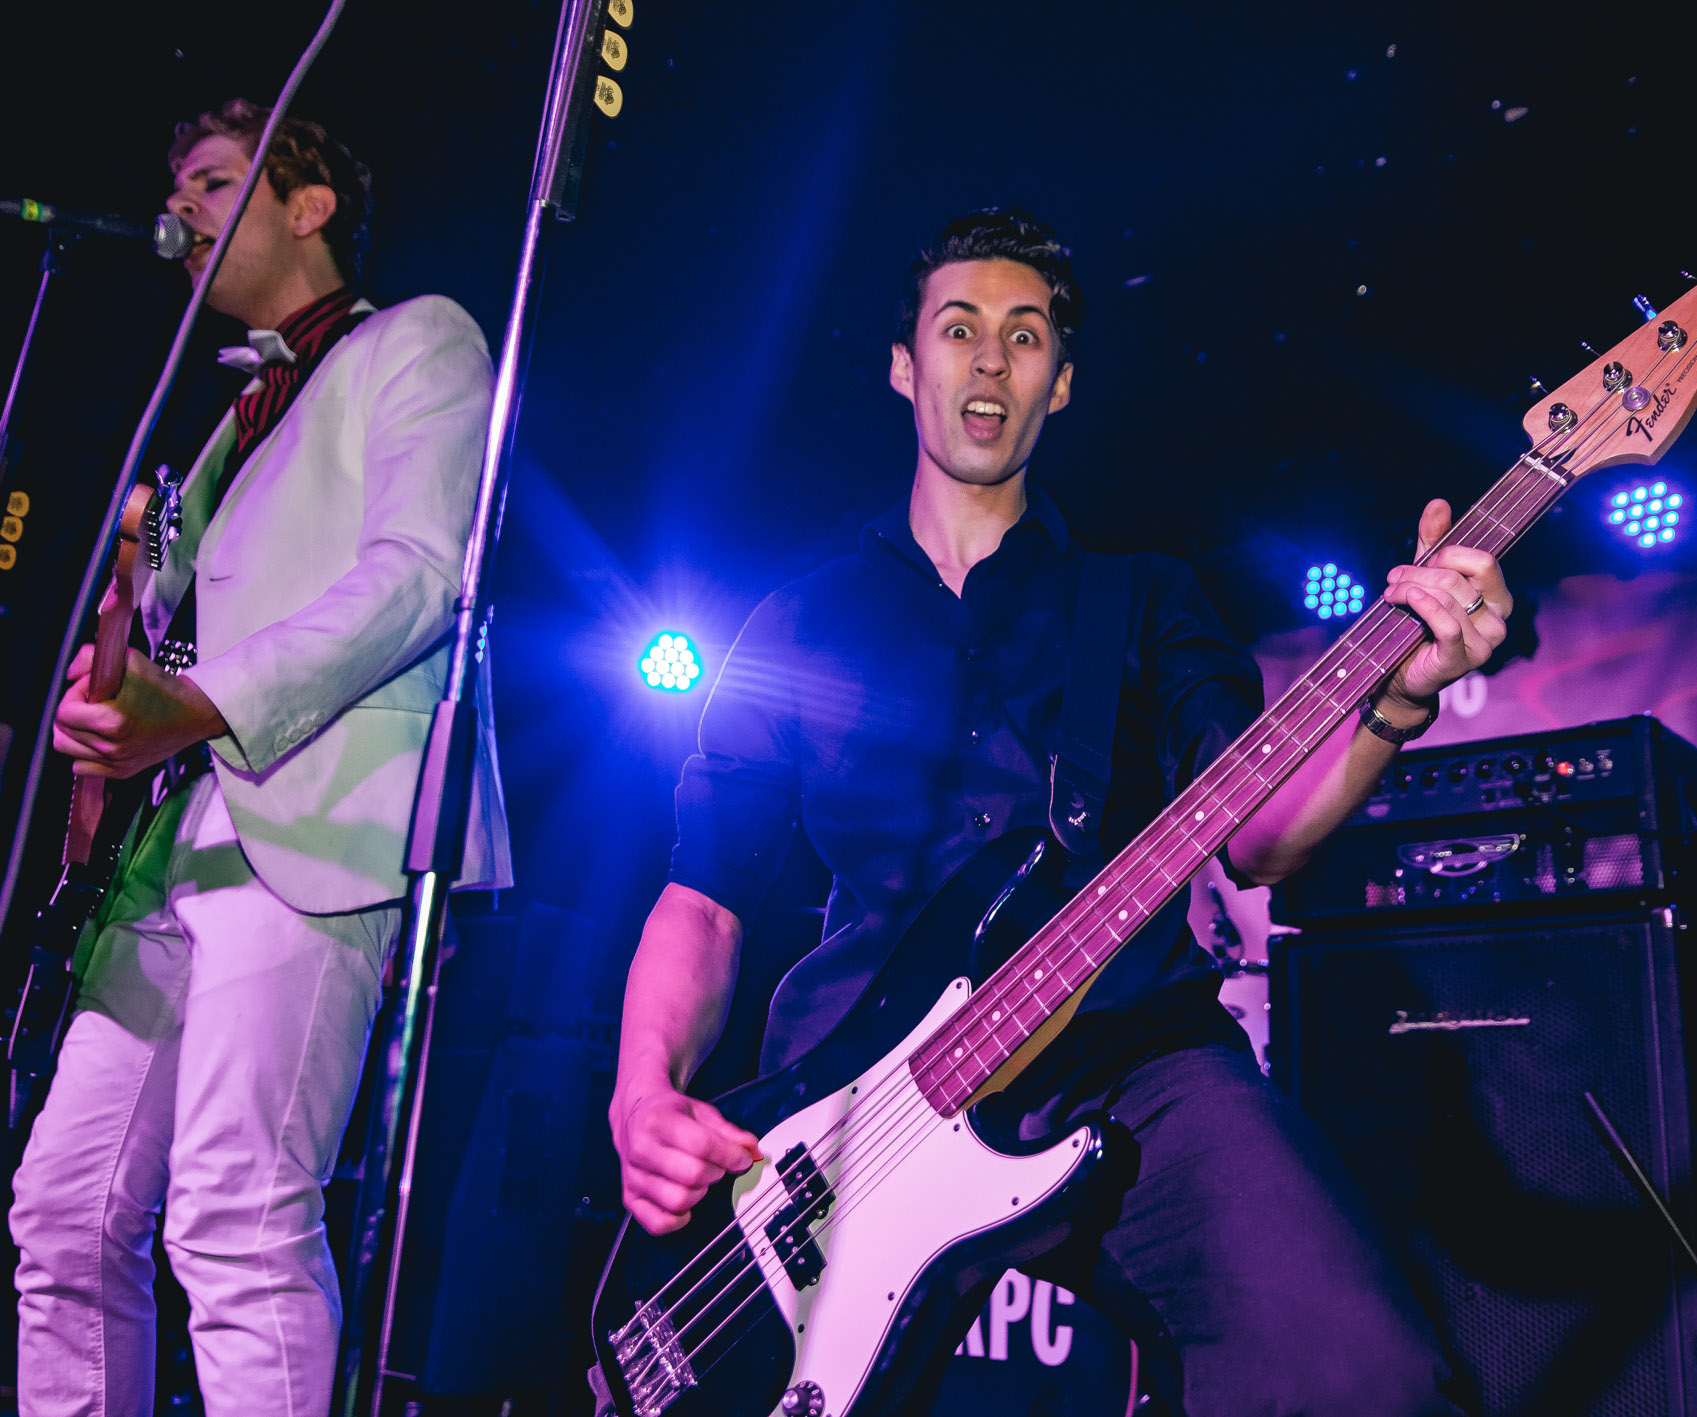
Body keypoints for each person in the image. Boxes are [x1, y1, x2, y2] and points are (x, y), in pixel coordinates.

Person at [609, 210, 1510, 1415]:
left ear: (1060, 382)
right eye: (959, 328)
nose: (990, 358)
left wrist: (1390, 705)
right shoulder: (792, 624)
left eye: (1024, 336)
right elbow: (704, 897)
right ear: (902, 364)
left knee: (1366, 1374)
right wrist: (642, 1090)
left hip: (1126, 1061)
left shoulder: (1141, 601)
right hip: (845, 1117)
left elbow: (1254, 834)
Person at [9, 99, 512, 1415]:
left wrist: (200, 701)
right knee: (59, 1217)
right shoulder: (229, 423)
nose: (179, 216)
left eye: (216, 183)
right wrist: (118, 692)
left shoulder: (422, 340)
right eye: (174, 191)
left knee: (235, 1216)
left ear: (311, 203)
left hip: (319, 833)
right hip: (171, 852)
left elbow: (420, 578)